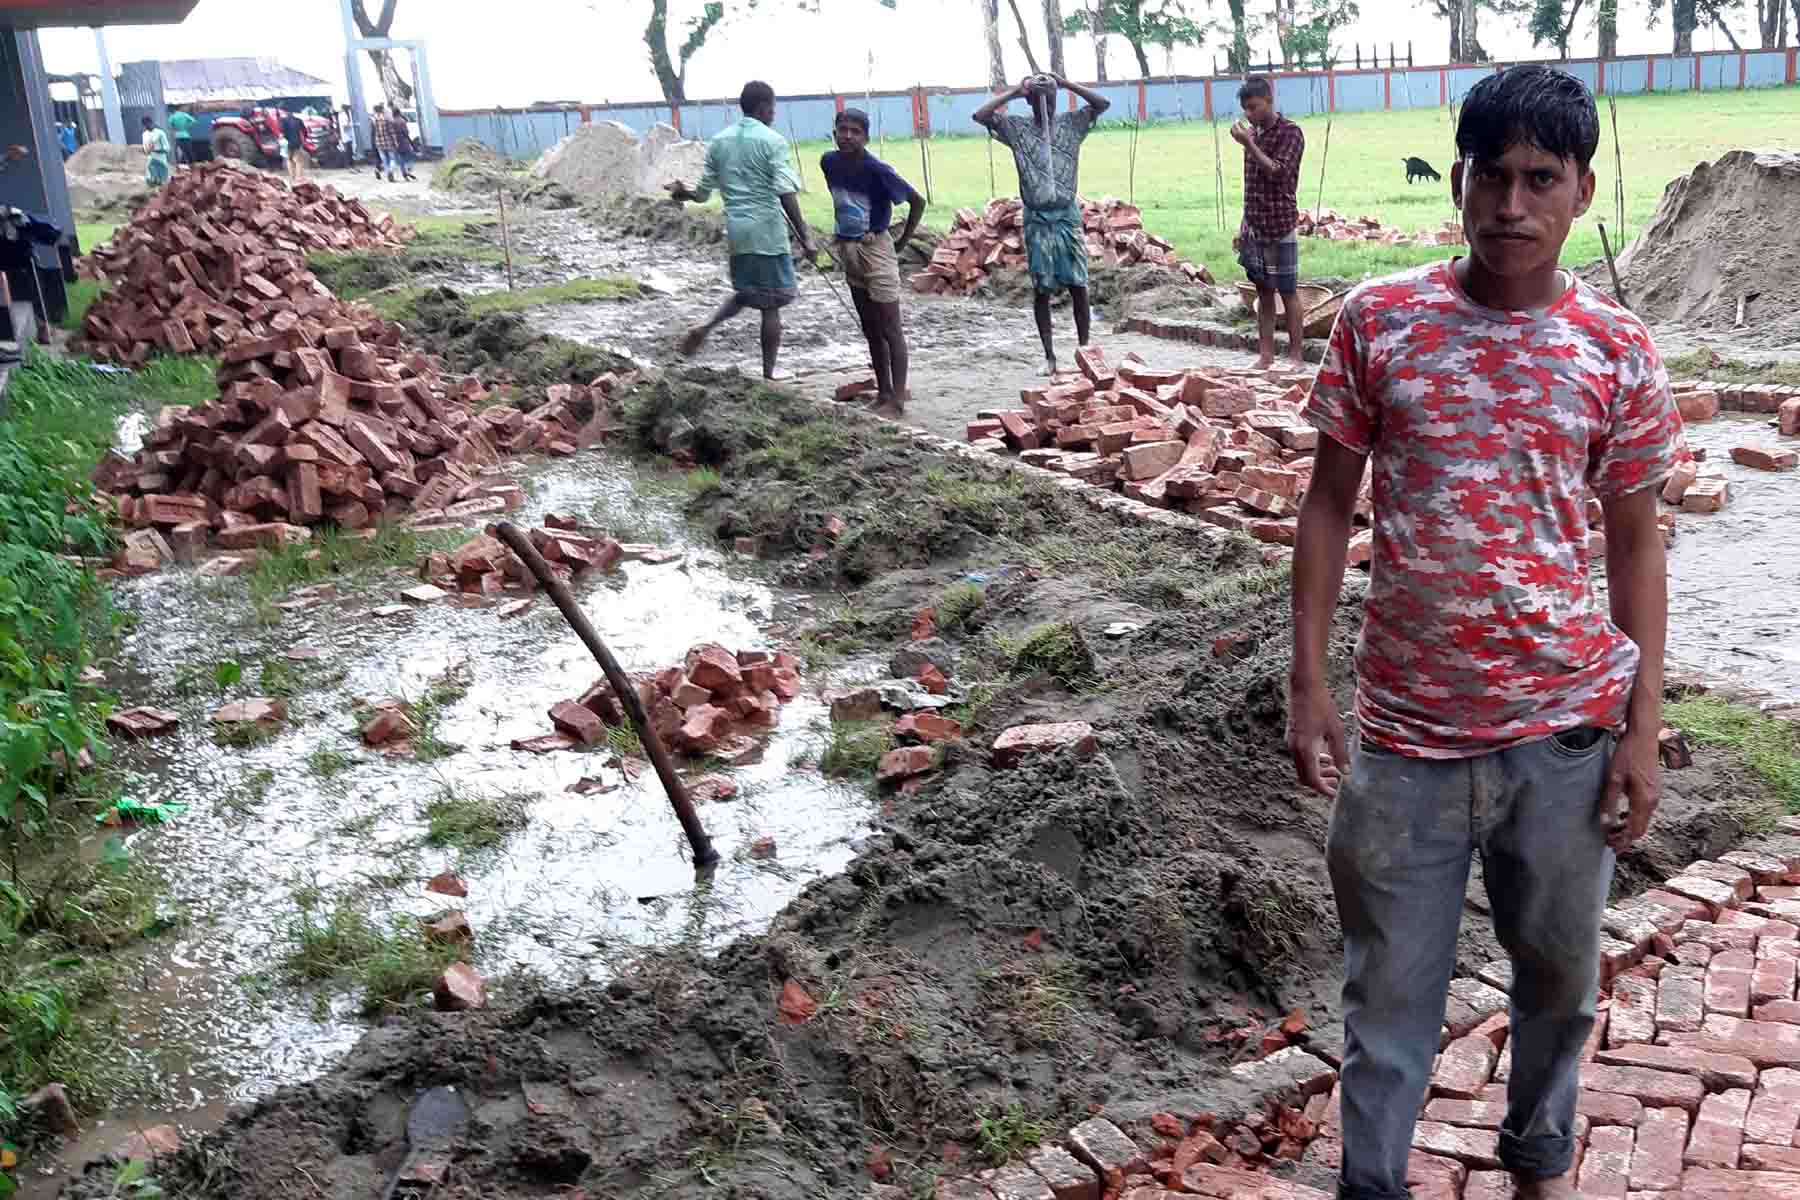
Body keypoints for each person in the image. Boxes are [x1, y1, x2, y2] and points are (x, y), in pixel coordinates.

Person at [1286, 64, 1681, 1200]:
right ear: (1457, 180)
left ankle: (1538, 1157)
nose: (1512, 204)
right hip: (1406, 742)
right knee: (1389, 998)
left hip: (1563, 739)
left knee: (1560, 982)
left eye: (1539, 178)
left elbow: (1640, 544)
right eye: (1491, 176)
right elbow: (1326, 504)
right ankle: (1374, 1184)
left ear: (1582, 189)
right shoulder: (1382, 322)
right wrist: (1308, 685)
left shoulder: (1618, 352)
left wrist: (1643, 728)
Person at [666, 80, 816, 381]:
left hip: (737, 231)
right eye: (772, 109)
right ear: (763, 108)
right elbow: (786, 192)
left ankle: (706, 327)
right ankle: (769, 373)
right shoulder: (773, 141)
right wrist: (806, 237)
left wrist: (683, 193)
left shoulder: (720, 141)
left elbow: (702, 193)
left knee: (747, 293)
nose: (774, 114)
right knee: (772, 303)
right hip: (767, 233)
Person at [973, 73, 1109, 376]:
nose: (1045, 101)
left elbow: (1103, 103)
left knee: (1078, 283)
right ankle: (1049, 356)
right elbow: (980, 115)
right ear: (1030, 101)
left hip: (1066, 213)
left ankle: (1084, 349)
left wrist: (1066, 82)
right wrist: (1014, 92)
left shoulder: (1071, 124)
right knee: (1042, 288)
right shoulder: (1017, 128)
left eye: (1051, 95)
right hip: (1037, 215)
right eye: (1038, 96)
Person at [820, 107, 924, 419]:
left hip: (875, 247)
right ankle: (883, 392)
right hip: (848, 248)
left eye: (855, 131)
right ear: (835, 132)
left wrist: (902, 241)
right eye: (843, 130)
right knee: (871, 328)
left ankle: (898, 400)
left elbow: (917, 201)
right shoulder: (829, 162)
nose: (848, 136)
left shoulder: (877, 170)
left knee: (891, 328)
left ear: (865, 136)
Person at [1231, 76, 1306, 369]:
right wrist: (1243, 224)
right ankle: (1265, 356)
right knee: (1263, 293)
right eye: (1245, 109)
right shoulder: (1254, 134)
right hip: (1255, 225)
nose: (1249, 114)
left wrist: (1249, 143)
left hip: (1280, 222)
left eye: (1254, 107)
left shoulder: (1291, 133)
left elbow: (1277, 172)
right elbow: (1251, 185)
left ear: (1269, 101)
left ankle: (1296, 357)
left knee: (1288, 291)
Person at [372, 103, 400, 181]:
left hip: (379, 143)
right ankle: (390, 171)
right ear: (382, 110)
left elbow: (374, 132)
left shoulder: (374, 120)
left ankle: (388, 173)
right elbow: (392, 132)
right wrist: (395, 142)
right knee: (393, 159)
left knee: (384, 160)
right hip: (388, 142)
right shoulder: (387, 119)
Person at [140, 115, 170, 186]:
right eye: (145, 124)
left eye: (148, 123)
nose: (147, 126)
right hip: (151, 160)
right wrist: (146, 151)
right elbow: (145, 149)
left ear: (151, 122)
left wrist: (155, 150)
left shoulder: (160, 133)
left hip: (161, 160)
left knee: (162, 183)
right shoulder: (144, 134)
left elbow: (167, 148)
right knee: (151, 181)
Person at [280, 109, 307, 184]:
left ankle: (292, 176)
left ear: (286, 113)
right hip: (297, 142)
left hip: (287, 143)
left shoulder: (283, 121)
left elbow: (281, 131)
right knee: (298, 161)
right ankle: (299, 177)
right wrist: (304, 138)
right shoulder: (298, 120)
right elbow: (305, 131)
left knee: (289, 159)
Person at [394, 115, 418, 182]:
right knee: (411, 155)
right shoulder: (402, 121)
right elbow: (406, 133)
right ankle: (408, 170)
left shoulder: (392, 122)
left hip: (396, 143)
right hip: (404, 142)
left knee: (401, 159)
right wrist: (412, 145)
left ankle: (404, 174)